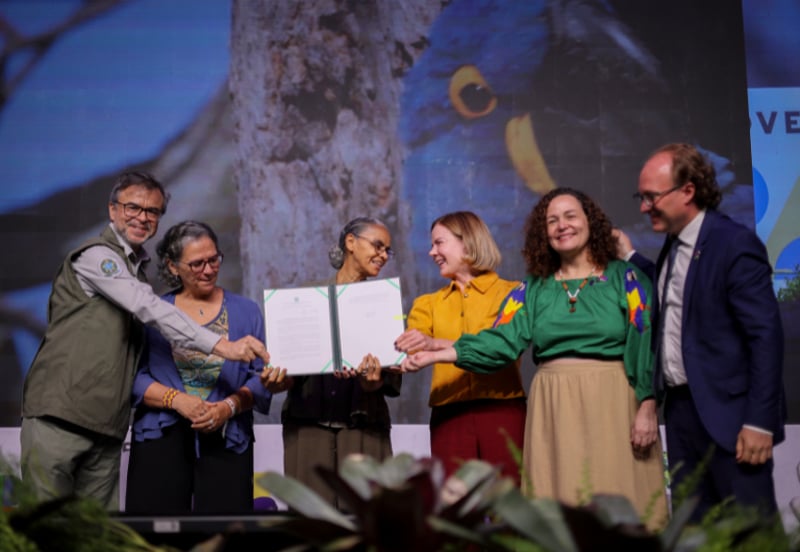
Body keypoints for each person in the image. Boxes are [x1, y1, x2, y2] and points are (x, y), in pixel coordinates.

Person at [400, 190, 668, 527]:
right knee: (560, 503)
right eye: (551, 220)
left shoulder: (626, 278)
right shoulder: (532, 289)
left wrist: (647, 403)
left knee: (621, 494)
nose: (561, 226)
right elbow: (502, 340)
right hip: (554, 405)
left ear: (591, 222)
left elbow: (644, 341)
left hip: (613, 399)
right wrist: (441, 353)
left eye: (570, 216)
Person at [20, 172, 270, 509]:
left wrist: (231, 403)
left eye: (152, 211)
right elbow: (147, 306)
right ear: (112, 210)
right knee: (44, 530)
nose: (142, 217)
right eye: (133, 207)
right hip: (60, 415)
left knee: (100, 538)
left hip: (107, 426)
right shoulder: (97, 256)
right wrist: (223, 346)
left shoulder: (136, 270)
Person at [616, 142, 784, 521]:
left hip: (733, 421)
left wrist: (759, 422)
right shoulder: (674, 246)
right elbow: (676, 291)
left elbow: (766, 337)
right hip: (683, 416)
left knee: (749, 536)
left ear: (688, 191)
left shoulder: (734, 244)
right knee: (696, 534)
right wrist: (630, 258)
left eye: (650, 197)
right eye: (640, 197)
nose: (643, 207)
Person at [125, 221, 286, 514]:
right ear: (173, 267)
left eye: (214, 260)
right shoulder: (153, 312)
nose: (209, 270)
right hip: (160, 438)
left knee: (225, 534)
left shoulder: (246, 311)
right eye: (197, 264)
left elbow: (260, 378)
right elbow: (131, 378)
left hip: (228, 438)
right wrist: (178, 401)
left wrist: (228, 407)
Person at [277, 217, 401, 510]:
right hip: (308, 426)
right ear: (350, 242)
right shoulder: (306, 298)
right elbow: (289, 363)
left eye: (388, 251)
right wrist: (279, 375)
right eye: (378, 246)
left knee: (367, 519)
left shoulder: (383, 302)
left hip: (364, 425)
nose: (383, 255)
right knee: (311, 521)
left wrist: (374, 382)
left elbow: (394, 377)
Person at [394, 211, 526, 483]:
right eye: (431, 245)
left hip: (503, 411)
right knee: (452, 506)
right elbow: (411, 347)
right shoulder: (426, 303)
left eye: (439, 243)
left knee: (509, 501)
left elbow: (504, 345)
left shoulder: (513, 293)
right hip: (448, 415)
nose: (432, 252)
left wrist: (434, 346)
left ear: (467, 241)